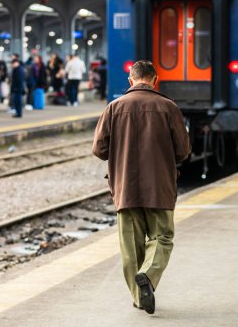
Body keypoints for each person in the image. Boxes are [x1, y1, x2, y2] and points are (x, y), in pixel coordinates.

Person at [93, 60, 191, 315]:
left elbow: (99, 150)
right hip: (159, 188)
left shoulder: (113, 108)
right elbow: (183, 151)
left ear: (131, 80)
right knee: (162, 238)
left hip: (125, 188)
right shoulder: (168, 107)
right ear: (155, 80)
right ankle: (147, 274)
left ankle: (139, 297)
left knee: (131, 248)